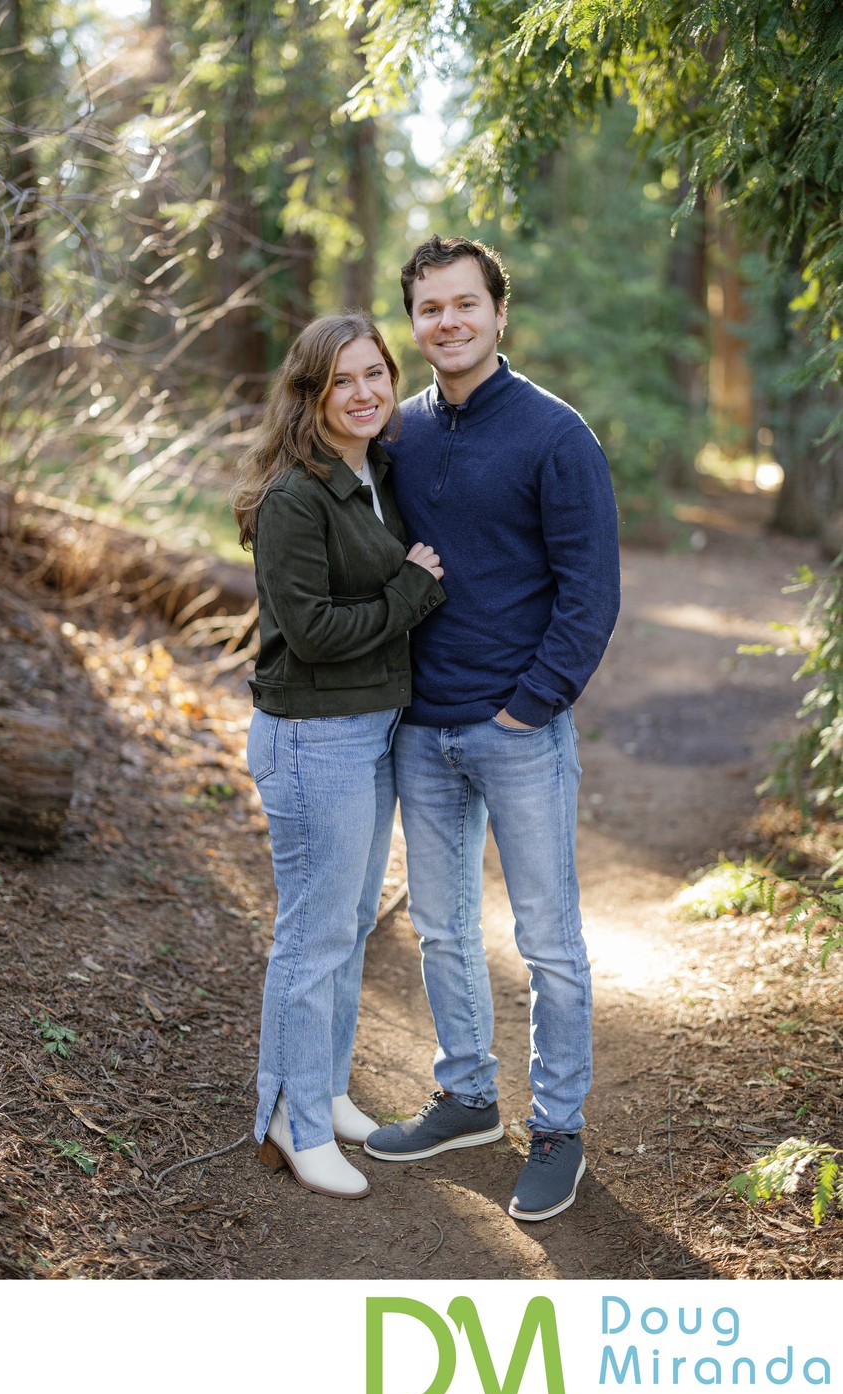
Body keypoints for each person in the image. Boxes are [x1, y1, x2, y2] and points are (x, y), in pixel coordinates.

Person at [363, 235, 621, 1222]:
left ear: (498, 313)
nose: (448, 322)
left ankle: (556, 1128)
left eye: (464, 304)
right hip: (419, 734)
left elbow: (588, 594)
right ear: (415, 321)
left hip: (517, 732)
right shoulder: (401, 432)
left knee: (548, 941)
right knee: (441, 930)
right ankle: (467, 1095)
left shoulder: (556, 436)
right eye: (429, 308)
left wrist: (529, 704)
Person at [231, 313, 445, 1200]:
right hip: (313, 736)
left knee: (348, 926)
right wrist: (411, 591)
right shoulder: (294, 496)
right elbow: (312, 633)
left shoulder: (377, 472)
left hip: (370, 731)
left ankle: (322, 1090)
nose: (363, 393)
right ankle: (288, 1115)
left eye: (375, 375)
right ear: (309, 394)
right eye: (342, 381)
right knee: (312, 937)